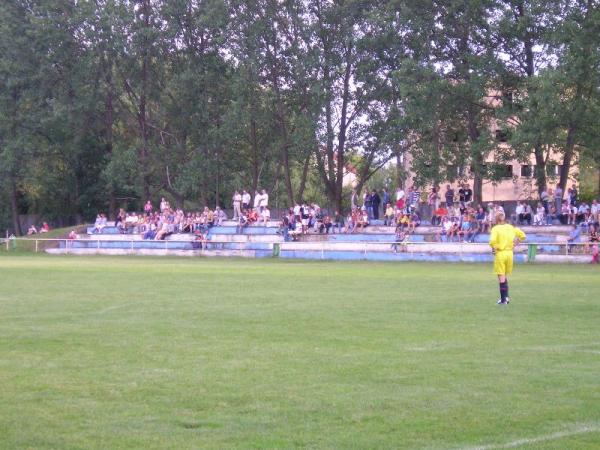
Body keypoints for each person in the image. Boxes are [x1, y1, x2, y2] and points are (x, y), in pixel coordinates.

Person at [489, 211, 526, 305]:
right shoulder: (510, 227)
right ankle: (507, 297)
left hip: (501, 254)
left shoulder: (495, 228)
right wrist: (516, 242)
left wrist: (494, 249)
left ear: (496, 219)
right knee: (504, 275)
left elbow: (492, 241)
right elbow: (523, 235)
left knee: (501, 276)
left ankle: (503, 300)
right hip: (510, 254)